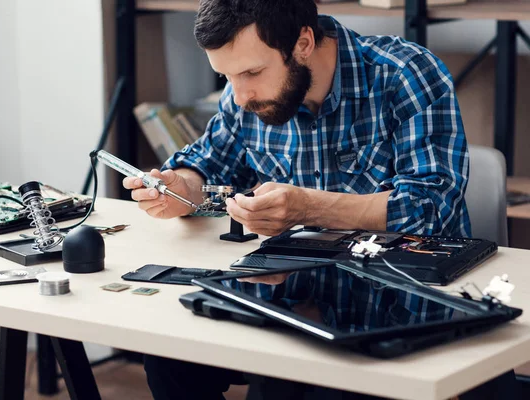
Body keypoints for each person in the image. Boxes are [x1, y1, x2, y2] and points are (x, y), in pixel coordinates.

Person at [123, 0, 519, 399]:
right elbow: (206, 164)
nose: (239, 95)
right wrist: (181, 189)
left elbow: (429, 207)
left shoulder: (403, 74)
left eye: (251, 73)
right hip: (289, 296)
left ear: (303, 43)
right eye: (226, 76)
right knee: (168, 358)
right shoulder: (243, 95)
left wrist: (308, 208)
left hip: (395, 303)